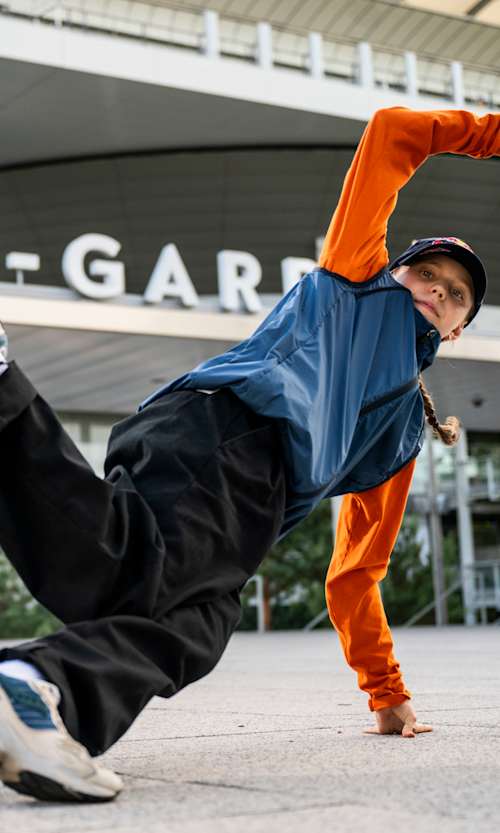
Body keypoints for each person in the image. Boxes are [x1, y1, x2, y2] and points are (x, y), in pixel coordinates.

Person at [0, 105, 497, 803]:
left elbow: (356, 573)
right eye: (429, 275)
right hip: (238, 441)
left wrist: (386, 693)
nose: (438, 291)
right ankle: (44, 688)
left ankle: (34, 685)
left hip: (209, 455)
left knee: (118, 575)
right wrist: (491, 135)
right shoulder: (359, 276)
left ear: (456, 332)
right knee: (197, 619)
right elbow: (392, 130)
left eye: (455, 297)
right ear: (398, 272)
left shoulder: (400, 436)